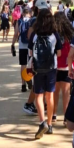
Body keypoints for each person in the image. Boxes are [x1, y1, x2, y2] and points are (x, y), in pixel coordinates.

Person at [27, 8, 63, 138]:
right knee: (50, 96)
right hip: (51, 68)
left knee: (38, 96)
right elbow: (59, 53)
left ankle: (42, 122)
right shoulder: (54, 35)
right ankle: (50, 124)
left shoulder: (35, 34)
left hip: (38, 68)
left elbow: (30, 52)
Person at [54, 11, 74, 122]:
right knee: (66, 93)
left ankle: (54, 114)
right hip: (67, 66)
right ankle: (66, 117)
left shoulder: (53, 33)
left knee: (55, 91)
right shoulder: (70, 34)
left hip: (55, 65)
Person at [12, 5, 34, 93]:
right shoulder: (32, 21)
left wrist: (13, 44)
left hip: (22, 45)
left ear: (22, 13)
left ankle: (23, 84)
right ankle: (29, 79)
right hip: (30, 46)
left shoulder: (19, 21)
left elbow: (16, 34)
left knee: (23, 65)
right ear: (30, 13)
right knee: (30, 64)